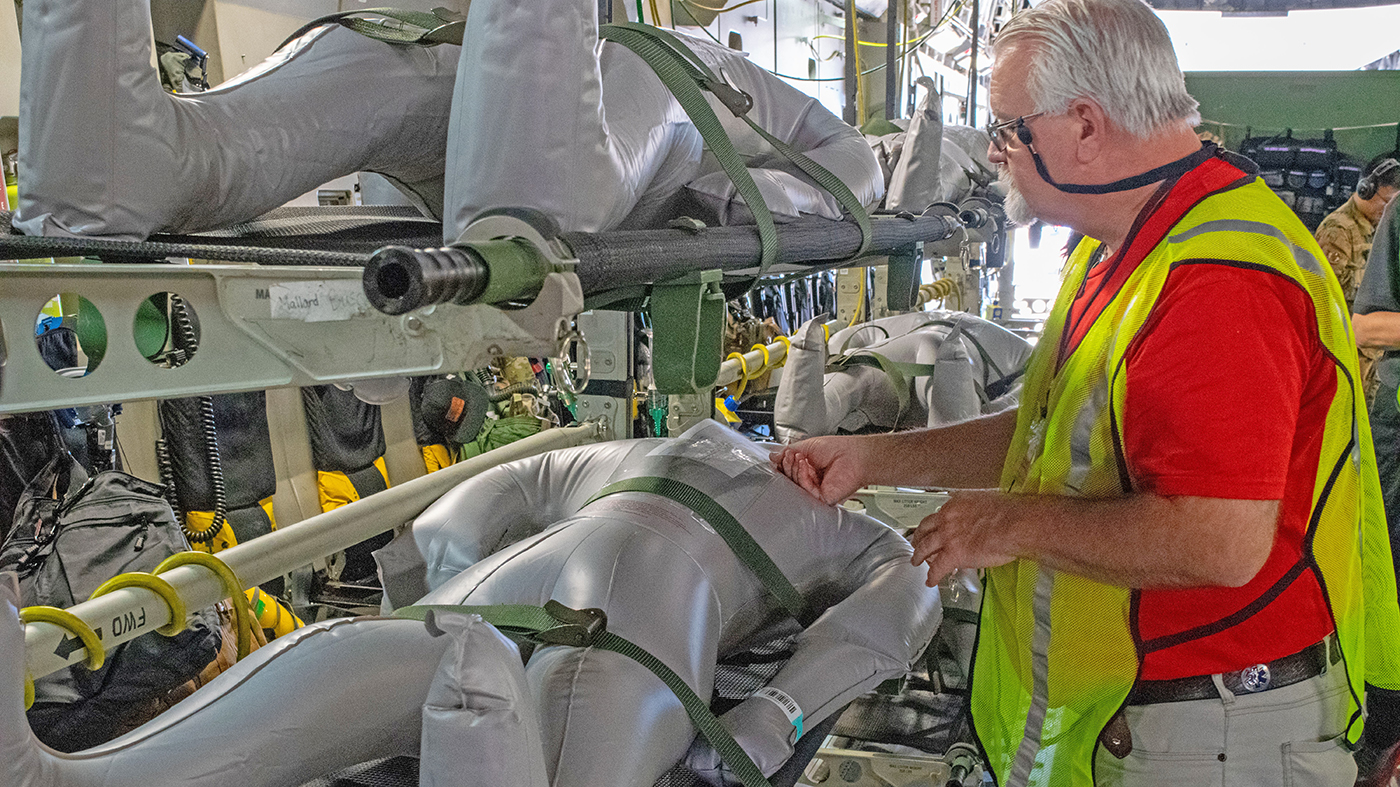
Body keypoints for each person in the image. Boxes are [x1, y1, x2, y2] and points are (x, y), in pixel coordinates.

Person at [773, 0, 1400, 785]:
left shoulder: (1215, 281)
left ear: (1085, 125)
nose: (997, 152)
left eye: (1008, 129)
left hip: (1216, 735)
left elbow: (1220, 540)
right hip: (1150, 715)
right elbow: (1049, 435)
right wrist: (873, 456)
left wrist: (1009, 523)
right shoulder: (1123, 249)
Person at [1316, 156, 1400, 403]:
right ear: (1365, 190)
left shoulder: (1375, 229)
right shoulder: (1338, 230)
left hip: (1372, 363)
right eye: (1386, 202)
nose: (1387, 211)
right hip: (1347, 359)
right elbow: (1323, 304)